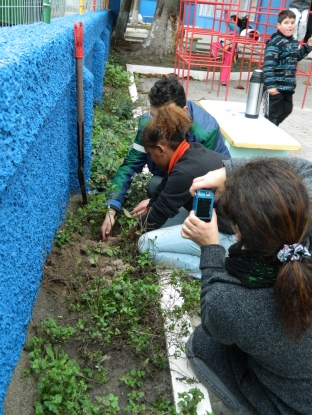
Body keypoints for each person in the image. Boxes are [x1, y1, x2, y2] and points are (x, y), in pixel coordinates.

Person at [182, 157, 312, 415]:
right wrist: (227, 172)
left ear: (238, 232)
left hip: (294, 407)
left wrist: (211, 249)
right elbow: (306, 169)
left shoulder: (231, 303)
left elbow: (211, 313)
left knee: (202, 345)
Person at [101, 77, 231, 241]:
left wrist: (159, 206)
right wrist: (113, 206)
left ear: (183, 112)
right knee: (154, 184)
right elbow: (130, 165)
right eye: (153, 116)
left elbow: (208, 183)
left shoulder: (205, 132)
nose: (156, 125)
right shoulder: (150, 127)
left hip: (210, 203)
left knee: (147, 242)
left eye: (162, 118)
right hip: (178, 183)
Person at [136, 104, 235, 279]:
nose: (150, 159)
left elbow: (157, 216)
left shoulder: (184, 172)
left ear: (160, 149)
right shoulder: (190, 150)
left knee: (145, 244)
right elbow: (163, 188)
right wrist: (149, 207)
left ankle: (217, 267)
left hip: (230, 237)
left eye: (150, 154)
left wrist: (127, 237)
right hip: (228, 222)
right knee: (161, 220)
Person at [263, 9, 312, 126]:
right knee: (272, 115)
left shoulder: (293, 42)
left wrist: (308, 46)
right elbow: (268, 66)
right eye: (286, 23)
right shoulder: (275, 43)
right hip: (275, 88)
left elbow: (296, 57)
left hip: (288, 87)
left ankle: (271, 129)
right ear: (279, 26)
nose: (290, 26)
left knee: (287, 110)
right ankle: (266, 133)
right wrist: (270, 86)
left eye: (292, 22)